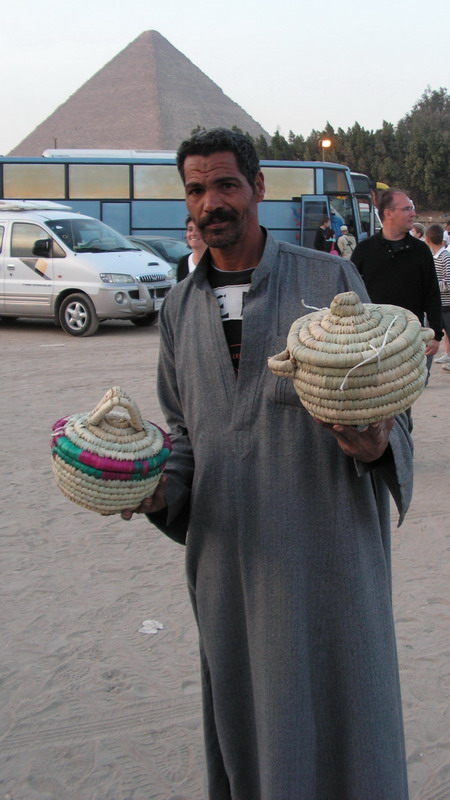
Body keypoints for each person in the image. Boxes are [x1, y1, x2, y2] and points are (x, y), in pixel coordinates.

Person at [122, 129, 413, 799]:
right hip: (235, 576)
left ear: (257, 188)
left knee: (349, 727)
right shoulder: (176, 311)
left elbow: (388, 399)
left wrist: (374, 443)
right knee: (252, 733)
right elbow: (184, 439)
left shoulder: (326, 278)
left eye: (226, 184)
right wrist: (153, 491)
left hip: (329, 564)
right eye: (197, 189)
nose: (211, 202)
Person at [351, 189, 442, 365]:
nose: (413, 213)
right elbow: (350, 292)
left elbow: (431, 293)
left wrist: (436, 334)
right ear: (388, 213)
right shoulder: (364, 250)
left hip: (410, 336)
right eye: (407, 209)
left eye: (412, 208)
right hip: (371, 339)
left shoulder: (421, 251)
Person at [425, 223, 450, 371]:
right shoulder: (433, 257)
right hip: (436, 306)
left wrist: (433, 286)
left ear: (427, 239)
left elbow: (448, 283)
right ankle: (425, 372)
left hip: (446, 306)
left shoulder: (445, 257)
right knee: (429, 339)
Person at [176, 215, 207, 281]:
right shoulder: (183, 262)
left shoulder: (218, 262)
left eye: (198, 229)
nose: (193, 233)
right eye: (190, 229)